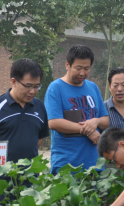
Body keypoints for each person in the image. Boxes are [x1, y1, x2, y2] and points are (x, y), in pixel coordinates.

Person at [45, 45, 109, 173]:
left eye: (87, 68)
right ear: (67, 65)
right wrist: (88, 131)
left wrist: (96, 121)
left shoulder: (93, 87)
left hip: (94, 163)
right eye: (78, 68)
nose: (82, 73)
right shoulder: (55, 88)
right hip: (67, 165)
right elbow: (54, 122)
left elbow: (106, 120)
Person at [0, 58, 49, 163]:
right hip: (0, 177)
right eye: (28, 86)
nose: (32, 91)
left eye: (37, 86)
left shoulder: (39, 106)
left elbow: (39, 139)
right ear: (14, 82)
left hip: (30, 175)